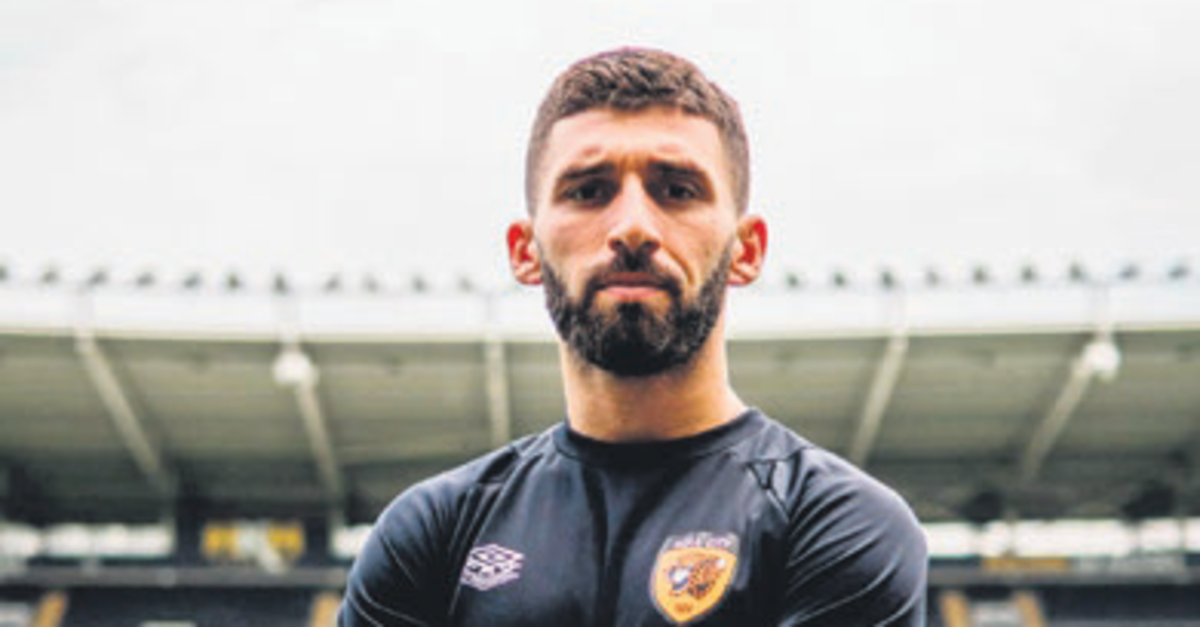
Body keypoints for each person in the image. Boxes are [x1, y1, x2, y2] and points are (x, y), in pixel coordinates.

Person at [340, 47, 927, 626]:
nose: (633, 228)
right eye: (587, 191)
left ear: (746, 250)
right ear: (526, 251)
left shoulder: (834, 520)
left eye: (677, 190)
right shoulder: (432, 532)